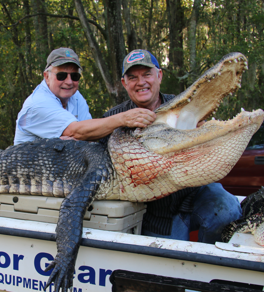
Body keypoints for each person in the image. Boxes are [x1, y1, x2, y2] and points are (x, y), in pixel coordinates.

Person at [103, 49, 242, 244]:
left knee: (227, 209)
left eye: (147, 74)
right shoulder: (114, 117)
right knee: (169, 266)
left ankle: (210, 260)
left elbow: (204, 137)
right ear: (124, 83)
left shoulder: (184, 104)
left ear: (159, 76)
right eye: (133, 77)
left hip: (192, 192)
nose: (141, 82)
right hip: (157, 214)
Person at [14, 47, 155, 145]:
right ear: (46, 76)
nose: (69, 82)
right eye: (61, 75)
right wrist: (124, 118)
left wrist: (81, 136)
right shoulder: (38, 103)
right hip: (28, 176)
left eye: (75, 76)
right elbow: (77, 131)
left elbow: (89, 136)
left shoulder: (74, 95)